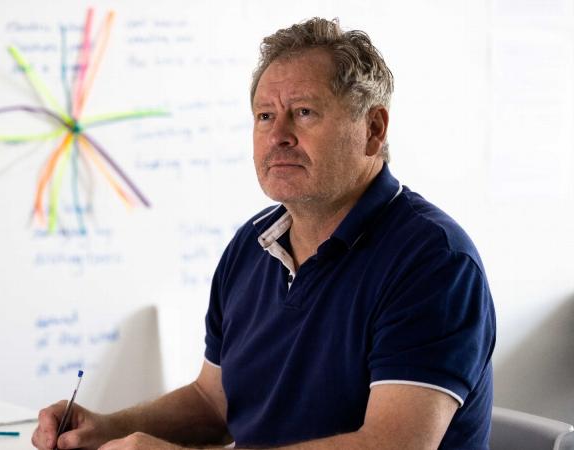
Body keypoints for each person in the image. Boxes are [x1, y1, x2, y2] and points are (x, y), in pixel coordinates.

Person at [32, 17, 496, 450]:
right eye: (264, 116)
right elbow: (213, 402)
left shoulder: (435, 262)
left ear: (373, 130)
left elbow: (390, 446)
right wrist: (108, 427)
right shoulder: (251, 246)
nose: (278, 136)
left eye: (305, 112)